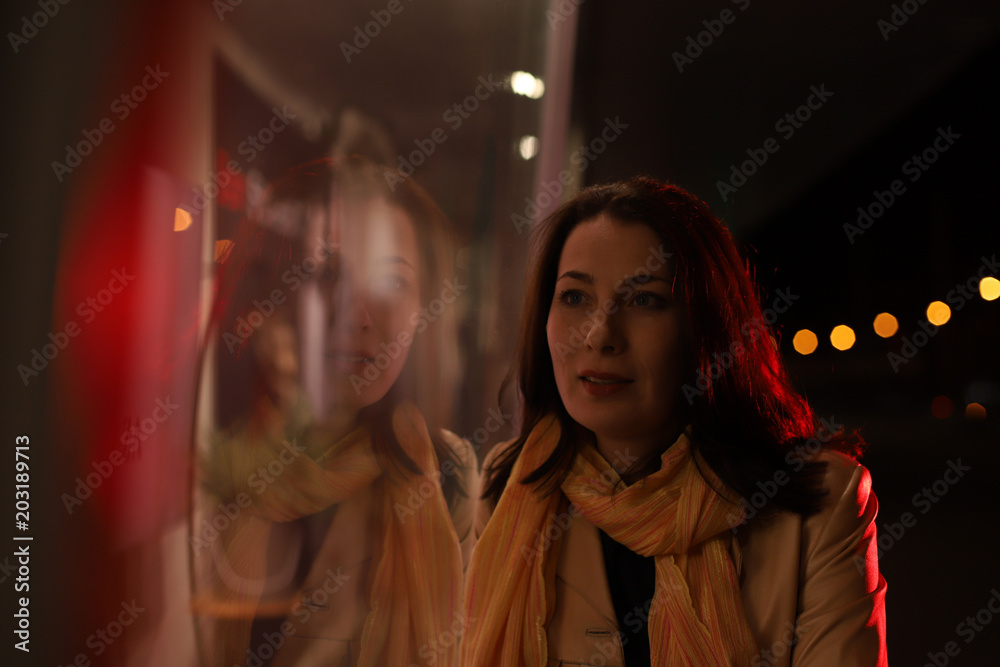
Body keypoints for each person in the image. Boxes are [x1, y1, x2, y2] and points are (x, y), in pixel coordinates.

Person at [463, 177, 887, 666]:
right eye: (575, 297)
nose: (600, 335)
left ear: (703, 328)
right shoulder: (510, 486)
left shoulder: (822, 502)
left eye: (645, 300)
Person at [193, 156, 477, 667]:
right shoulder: (209, 461)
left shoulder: (442, 472)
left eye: (392, 283)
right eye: (327, 275)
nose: (360, 315)